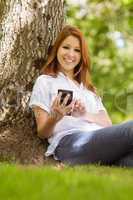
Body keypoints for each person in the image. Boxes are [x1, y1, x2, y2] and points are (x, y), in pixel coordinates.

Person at [29, 25, 133, 167]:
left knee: (128, 161)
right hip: (71, 143)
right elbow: (42, 132)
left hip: (99, 139)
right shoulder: (46, 81)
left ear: (81, 55)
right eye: (66, 47)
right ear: (57, 49)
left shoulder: (89, 89)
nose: (71, 54)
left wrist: (84, 114)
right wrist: (55, 117)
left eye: (77, 50)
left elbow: (107, 123)